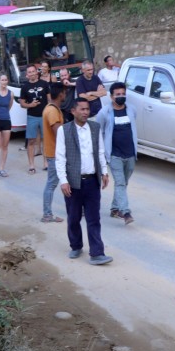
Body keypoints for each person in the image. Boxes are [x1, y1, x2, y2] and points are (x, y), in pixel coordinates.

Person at [55, 97, 113, 265]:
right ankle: (76, 245)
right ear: (73, 111)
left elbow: (100, 151)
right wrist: (63, 181)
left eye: (87, 109)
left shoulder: (95, 127)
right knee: (73, 217)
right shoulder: (64, 130)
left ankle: (97, 253)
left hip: (92, 181)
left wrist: (104, 172)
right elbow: (60, 157)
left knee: (94, 218)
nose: (86, 112)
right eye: (82, 109)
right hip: (73, 182)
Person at [95, 82, 137, 225]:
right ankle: (125, 212)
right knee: (119, 183)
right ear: (111, 97)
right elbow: (98, 131)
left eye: (123, 94)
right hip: (114, 155)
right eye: (117, 94)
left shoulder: (131, 110)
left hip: (130, 154)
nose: (121, 96)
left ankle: (114, 208)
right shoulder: (104, 112)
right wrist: (101, 152)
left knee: (123, 183)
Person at [41, 82, 66, 223]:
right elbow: (59, 133)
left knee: (60, 181)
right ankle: (47, 214)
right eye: (64, 92)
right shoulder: (52, 111)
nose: (66, 95)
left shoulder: (53, 109)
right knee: (51, 184)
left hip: (54, 153)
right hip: (55, 154)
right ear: (61, 93)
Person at [19, 65, 49, 173]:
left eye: (33, 71)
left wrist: (49, 112)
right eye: (29, 72)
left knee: (45, 140)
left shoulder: (44, 84)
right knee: (31, 141)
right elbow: (22, 103)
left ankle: (46, 163)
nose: (32, 73)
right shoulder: (25, 87)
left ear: (36, 72)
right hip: (32, 116)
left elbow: (49, 100)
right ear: (27, 75)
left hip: (44, 116)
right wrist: (30, 105)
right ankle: (31, 165)